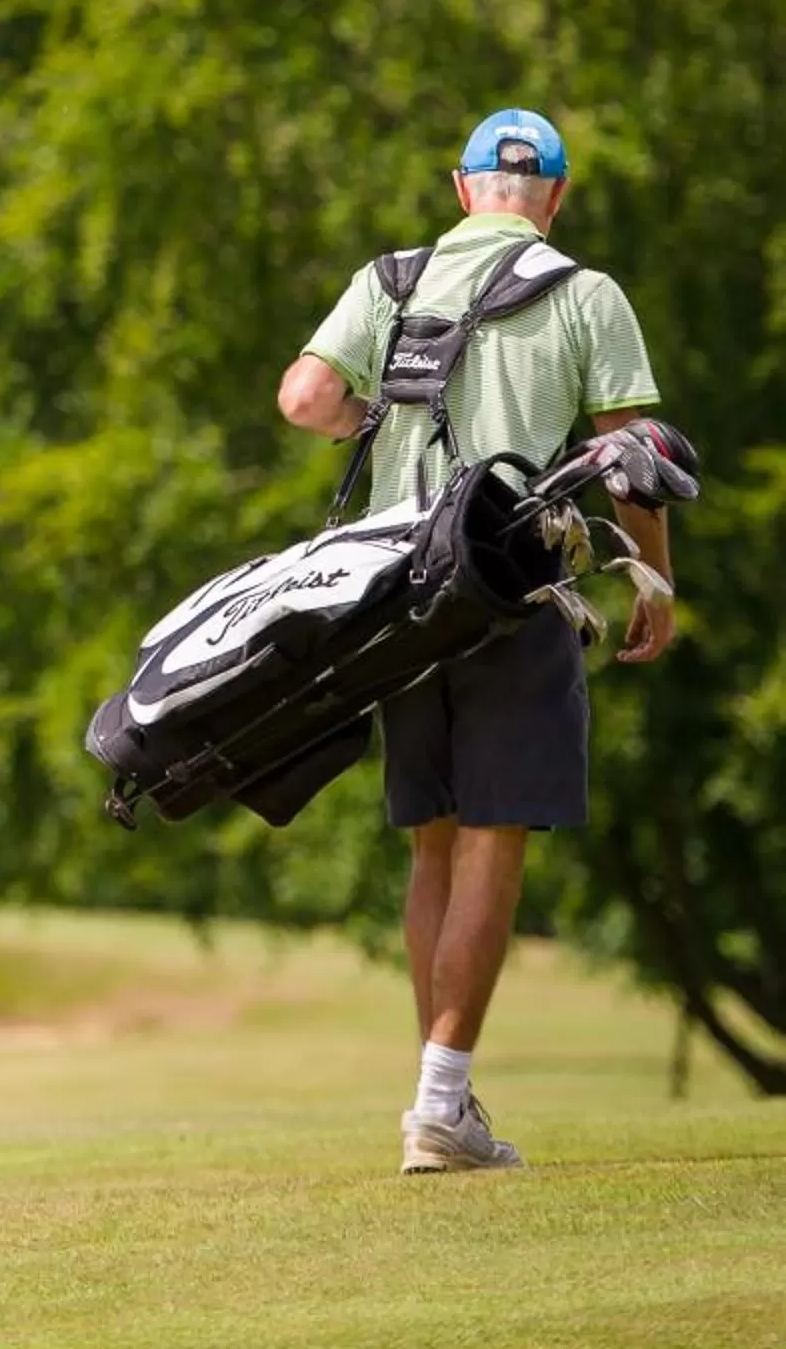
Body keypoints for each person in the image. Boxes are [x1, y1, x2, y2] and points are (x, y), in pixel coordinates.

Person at [276, 108, 675, 1175]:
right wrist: (656, 576)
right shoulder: (584, 292)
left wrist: (372, 419)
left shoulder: (391, 281)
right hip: (516, 589)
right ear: (554, 193)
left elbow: (304, 398)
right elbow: (629, 456)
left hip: (399, 599)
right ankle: (440, 1106)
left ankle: (438, 1097)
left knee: (433, 843)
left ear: (462, 191)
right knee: (496, 833)